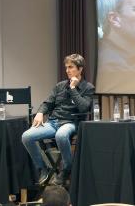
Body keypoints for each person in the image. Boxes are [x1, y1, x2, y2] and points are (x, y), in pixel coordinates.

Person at [22, 54, 94, 186]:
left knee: (61, 135)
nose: (67, 70)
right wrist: (40, 113)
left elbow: (84, 107)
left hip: (71, 123)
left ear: (80, 69)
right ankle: (43, 168)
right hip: (53, 122)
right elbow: (48, 103)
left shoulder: (88, 87)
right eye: (66, 67)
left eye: (71, 67)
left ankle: (67, 169)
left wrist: (73, 88)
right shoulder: (60, 86)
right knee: (26, 136)